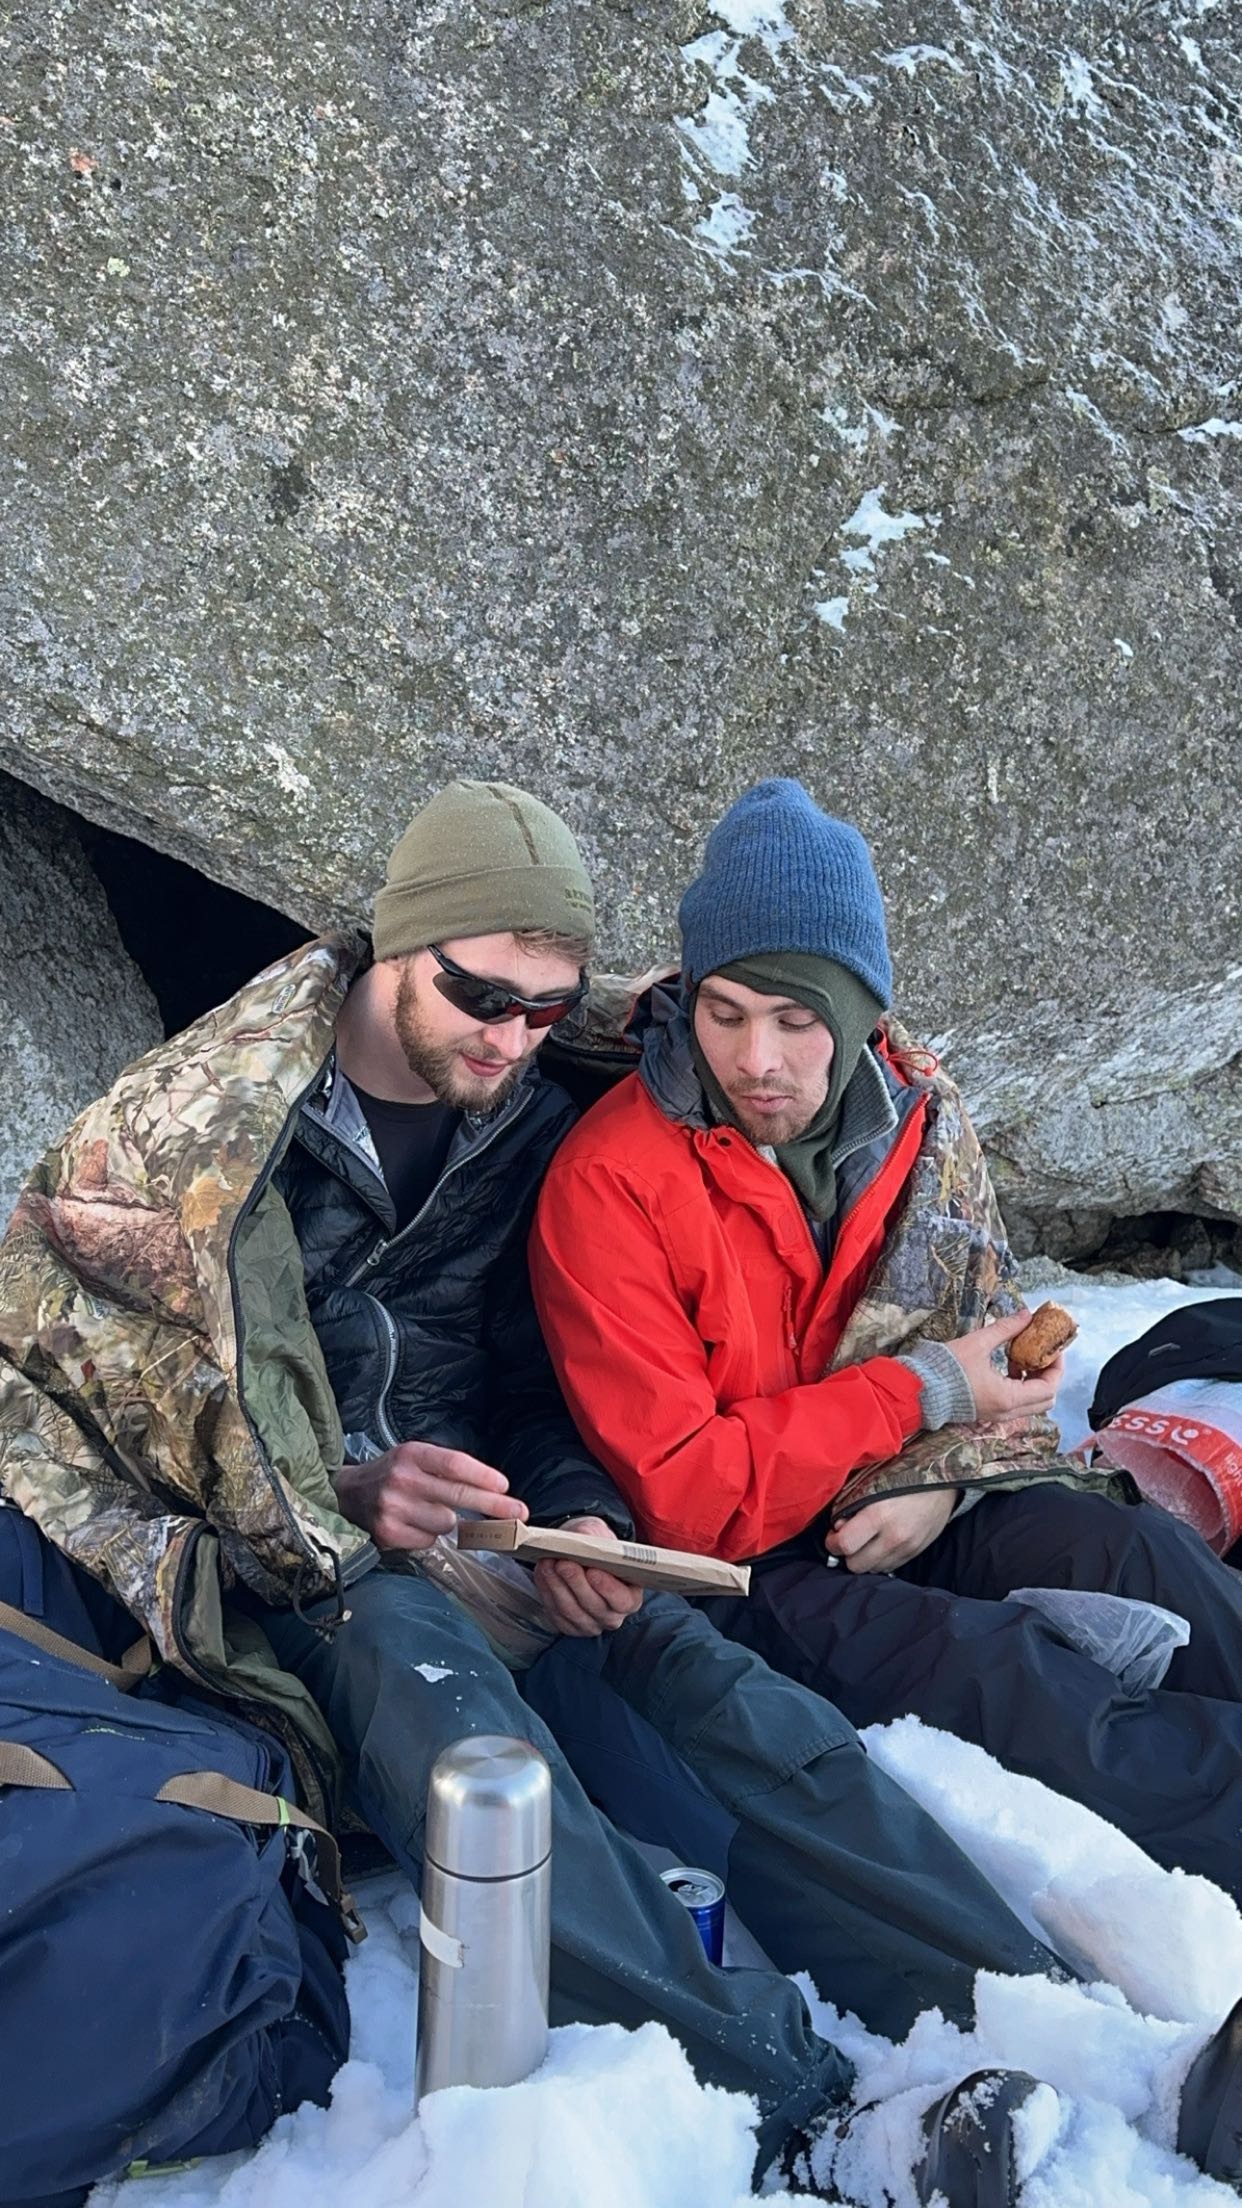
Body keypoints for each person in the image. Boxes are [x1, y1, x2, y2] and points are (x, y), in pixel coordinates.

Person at [0, 777, 1238, 2206]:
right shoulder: (192, 1137)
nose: (512, 1038)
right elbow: (103, 1397)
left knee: (725, 1701)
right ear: (395, 944)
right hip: (303, 1560)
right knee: (482, 1765)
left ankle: (1061, 2023)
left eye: (545, 1008)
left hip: (499, 1515)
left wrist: (579, 1509)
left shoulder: (516, 1111)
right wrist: (343, 1485)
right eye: (481, 995)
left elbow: (533, 1377)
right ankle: (797, 2105)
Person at [530, 775, 1242, 1920]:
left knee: (1141, 1563)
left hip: (907, 1490)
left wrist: (940, 1488)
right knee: (1013, 1682)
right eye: (724, 1011)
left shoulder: (917, 1121)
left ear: (860, 1012)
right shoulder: (612, 1180)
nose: (757, 1056)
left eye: (797, 1018)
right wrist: (918, 1398)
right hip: (750, 1570)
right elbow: (688, 1501)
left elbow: (998, 1358)